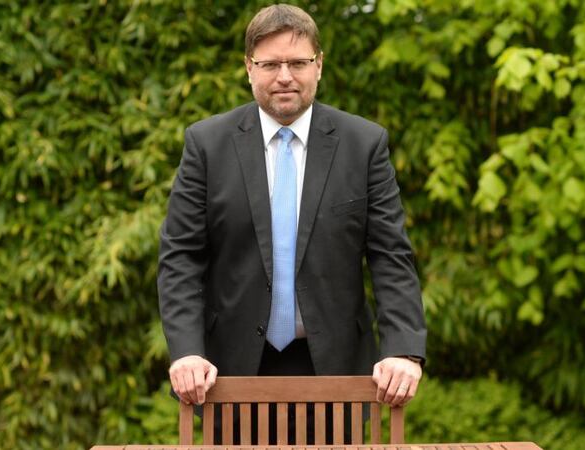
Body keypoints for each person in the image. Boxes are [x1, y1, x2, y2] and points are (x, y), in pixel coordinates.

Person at [158, 3, 426, 419]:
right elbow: (181, 256)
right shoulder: (206, 145)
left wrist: (404, 350)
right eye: (270, 64)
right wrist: (186, 351)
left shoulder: (364, 144)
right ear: (249, 68)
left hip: (339, 370)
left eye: (298, 62)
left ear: (319, 65)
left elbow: (390, 255)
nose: (284, 76)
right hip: (227, 374)